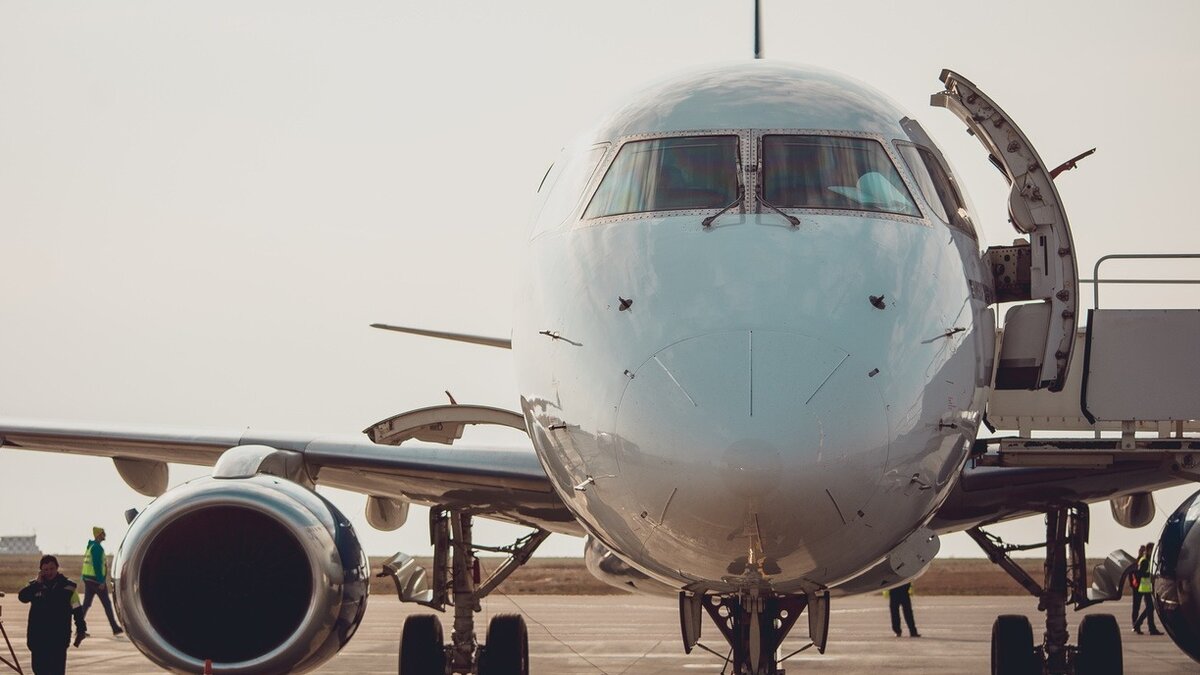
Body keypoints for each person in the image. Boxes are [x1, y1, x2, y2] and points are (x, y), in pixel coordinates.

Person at [17, 555, 87, 675]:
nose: (49, 572)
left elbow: (77, 609)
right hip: (38, 640)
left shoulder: (68, 587)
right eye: (45, 570)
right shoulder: (34, 586)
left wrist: (81, 629)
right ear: (41, 571)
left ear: (57, 568)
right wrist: (36, 584)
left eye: (51, 568)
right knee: (39, 671)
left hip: (58, 640)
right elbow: (22, 597)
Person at [79, 527, 122, 638]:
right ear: (98, 535)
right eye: (103, 533)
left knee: (86, 604)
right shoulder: (97, 548)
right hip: (95, 581)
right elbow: (97, 566)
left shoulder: (91, 546)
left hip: (89, 579)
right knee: (107, 604)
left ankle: (80, 628)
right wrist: (101, 581)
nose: (105, 535)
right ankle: (115, 628)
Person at [1133, 542, 1163, 635]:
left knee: (1150, 608)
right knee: (1150, 607)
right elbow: (1140, 573)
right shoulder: (1145, 561)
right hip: (1145, 587)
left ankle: (1144, 626)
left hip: (1146, 587)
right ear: (1149, 550)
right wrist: (1150, 575)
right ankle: (1146, 627)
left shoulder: (1145, 559)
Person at [1130, 544, 1146, 630]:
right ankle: (1135, 623)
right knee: (1136, 607)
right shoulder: (1136, 562)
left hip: (1144, 586)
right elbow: (1130, 574)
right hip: (1137, 587)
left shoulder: (1144, 561)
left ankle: (1136, 623)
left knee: (1148, 607)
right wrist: (1132, 585)